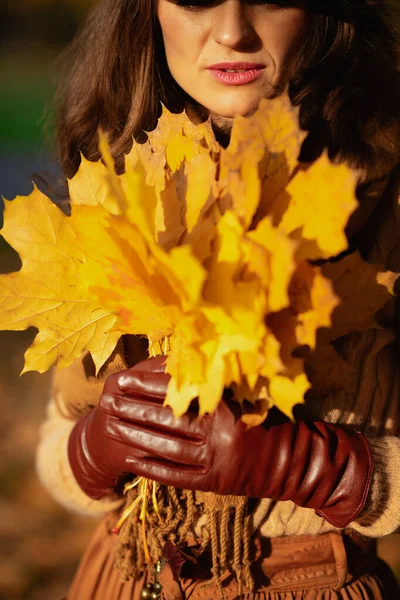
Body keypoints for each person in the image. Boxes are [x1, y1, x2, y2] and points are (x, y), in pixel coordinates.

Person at [36, 0, 400, 598]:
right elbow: (57, 444)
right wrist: (91, 450)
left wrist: (318, 469)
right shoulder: (111, 177)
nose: (232, 31)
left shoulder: (383, 193)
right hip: (127, 580)